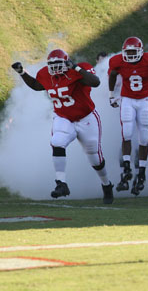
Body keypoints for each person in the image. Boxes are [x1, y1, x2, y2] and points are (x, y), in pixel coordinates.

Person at [11, 49, 114, 204]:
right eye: (52, 64)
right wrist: (22, 73)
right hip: (63, 117)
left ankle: (106, 184)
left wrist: (75, 68)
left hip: (86, 118)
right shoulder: (46, 74)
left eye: (59, 64)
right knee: (57, 142)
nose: (55, 68)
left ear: (67, 62)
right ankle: (61, 183)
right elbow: (37, 85)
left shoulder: (78, 69)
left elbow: (95, 82)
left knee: (95, 158)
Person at [108, 37, 148, 195]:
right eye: (128, 52)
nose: (131, 54)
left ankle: (141, 171)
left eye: (134, 51)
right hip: (127, 99)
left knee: (143, 138)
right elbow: (113, 75)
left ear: (141, 51)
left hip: (144, 101)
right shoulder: (118, 61)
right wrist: (111, 94)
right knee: (126, 133)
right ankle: (126, 167)